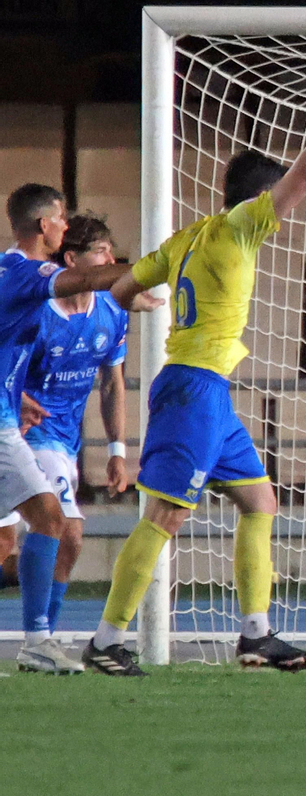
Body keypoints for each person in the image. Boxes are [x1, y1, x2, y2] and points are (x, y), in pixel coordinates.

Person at [82, 48, 306, 677]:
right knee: (166, 515)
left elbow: (121, 288)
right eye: (274, 201)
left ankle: (257, 633)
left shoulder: (187, 239)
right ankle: (106, 639)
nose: (282, 214)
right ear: (258, 199)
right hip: (194, 388)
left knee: (260, 502)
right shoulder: (238, 228)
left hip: (207, 390)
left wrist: (138, 305)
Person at [0, 184, 160, 675]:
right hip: (16, 431)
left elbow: (110, 383)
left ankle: (39, 642)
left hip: (17, 418)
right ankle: (38, 642)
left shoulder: (12, 275)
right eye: (60, 218)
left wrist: (15, 393)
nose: (64, 224)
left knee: (17, 542)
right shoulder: (27, 272)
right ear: (44, 227)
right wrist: (155, 269)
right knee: (53, 522)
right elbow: (76, 281)